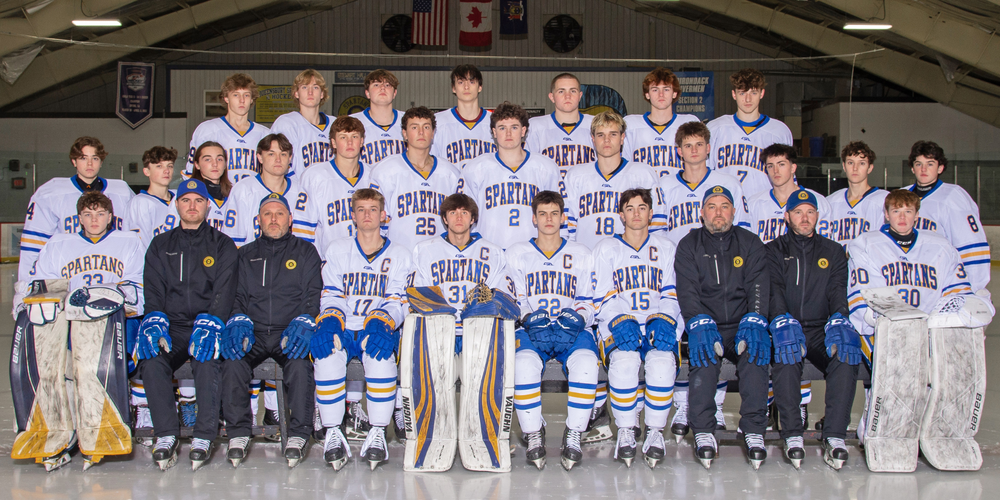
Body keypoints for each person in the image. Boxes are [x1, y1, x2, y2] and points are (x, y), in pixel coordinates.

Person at [847, 189, 993, 445]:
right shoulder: (866, 243)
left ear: (917, 215)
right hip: (885, 329)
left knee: (943, 369)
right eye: (896, 211)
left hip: (928, 328)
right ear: (886, 214)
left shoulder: (940, 245)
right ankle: (876, 419)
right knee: (892, 373)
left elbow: (956, 291)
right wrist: (876, 320)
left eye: (908, 212)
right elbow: (864, 296)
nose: (902, 218)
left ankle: (929, 427)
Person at [14, 191, 145, 471]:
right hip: (68, 321)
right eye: (88, 214)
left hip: (110, 320)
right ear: (79, 218)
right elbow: (42, 284)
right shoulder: (59, 243)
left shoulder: (129, 242)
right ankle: (60, 430)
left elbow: (136, 290)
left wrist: (108, 297)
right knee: (54, 370)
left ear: (111, 217)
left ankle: (98, 430)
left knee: (90, 371)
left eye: (100, 214)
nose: (94, 219)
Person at [136, 179, 238, 471]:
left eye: (198, 201)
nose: (192, 206)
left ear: (208, 205)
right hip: (173, 327)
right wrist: (154, 319)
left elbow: (225, 289)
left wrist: (215, 319)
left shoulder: (222, 244)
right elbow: (153, 288)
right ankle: (166, 434)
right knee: (153, 360)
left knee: (206, 360)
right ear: (177, 205)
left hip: (208, 324)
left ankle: (204, 436)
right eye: (186, 200)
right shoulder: (161, 245)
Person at [658, 121, 749, 439]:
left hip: (720, 267)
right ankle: (684, 404)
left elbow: (743, 229)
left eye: (699, 144)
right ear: (678, 150)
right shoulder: (666, 184)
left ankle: (716, 406)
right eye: (687, 145)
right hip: (680, 267)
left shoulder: (726, 182)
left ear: (709, 148)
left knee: (717, 336)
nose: (693, 150)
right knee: (686, 340)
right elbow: (657, 232)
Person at [311, 188, 413, 470]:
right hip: (345, 324)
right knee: (326, 354)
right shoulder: (337, 249)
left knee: (382, 358)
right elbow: (331, 294)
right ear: (353, 215)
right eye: (361, 209)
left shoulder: (400, 253)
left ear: (383, 215)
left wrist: (383, 320)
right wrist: (330, 319)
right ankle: (333, 431)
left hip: (377, 325)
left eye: (372, 209)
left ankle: (377, 431)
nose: (367, 215)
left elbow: (398, 299)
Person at [220, 193, 322, 467]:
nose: (273, 219)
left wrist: (305, 319)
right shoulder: (245, 254)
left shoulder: (305, 251)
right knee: (232, 360)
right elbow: (236, 295)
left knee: (300, 365)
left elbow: (312, 293)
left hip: (288, 331)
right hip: (253, 331)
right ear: (258, 220)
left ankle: (299, 435)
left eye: (279, 214)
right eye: (267, 214)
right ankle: (239, 433)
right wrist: (238, 318)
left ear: (290, 219)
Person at [674, 185, 770, 469]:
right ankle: (703, 431)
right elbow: (687, 290)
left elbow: (759, 284)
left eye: (724, 206)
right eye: (712, 207)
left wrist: (755, 318)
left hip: (741, 325)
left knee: (756, 355)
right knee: (703, 359)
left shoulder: (750, 242)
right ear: (702, 212)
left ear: (734, 212)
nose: (719, 212)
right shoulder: (689, 244)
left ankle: (753, 430)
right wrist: (697, 320)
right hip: (708, 323)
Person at [765, 189, 859, 470]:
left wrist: (839, 318)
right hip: (786, 325)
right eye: (798, 212)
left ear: (817, 215)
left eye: (809, 212)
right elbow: (775, 290)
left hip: (820, 329)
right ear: (787, 216)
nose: (804, 218)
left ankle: (835, 435)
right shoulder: (772, 250)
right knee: (786, 354)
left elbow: (836, 290)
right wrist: (781, 318)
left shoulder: (832, 250)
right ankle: (793, 433)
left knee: (845, 355)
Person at [506, 190, 599, 471]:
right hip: (532, 330)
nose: (549, 219)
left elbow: (589, 300)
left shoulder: (581, 253)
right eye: (543, 214)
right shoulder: (517, 252)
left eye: (554, 213)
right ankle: (534, 432)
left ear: (563, 217)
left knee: (585, 363)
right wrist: (527, 318)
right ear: (534, 218)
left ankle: (574, 433)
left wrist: (579, 317)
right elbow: (514, 298)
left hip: (570, 330)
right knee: (521, 364)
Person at [593, 188, 681, 469]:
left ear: (651, 213)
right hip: (620, 322)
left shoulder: (666, 247)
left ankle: (655, 431)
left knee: (661, 361)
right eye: (630, 208)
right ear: (621, 215)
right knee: (624, 360)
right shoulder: (607, 247)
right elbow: (601, 296)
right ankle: (627, 430)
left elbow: (671, 293)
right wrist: (620, 319)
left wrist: (664, 318)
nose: (636, 213)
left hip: (655, 321)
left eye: (642, 207)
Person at [747, 143, 832, 427]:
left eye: (781, 164)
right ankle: (776, 403)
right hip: (769, 278)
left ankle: (801, 405)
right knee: (777, 343)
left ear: (793, 167)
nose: (775, 171)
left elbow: (826, 248)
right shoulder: (757, 201)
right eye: (770, 166)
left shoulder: (816, 201)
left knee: (801, 337)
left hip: (807, 280)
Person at [17, 136, 134, 317]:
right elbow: (33, 245)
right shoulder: (50, 192)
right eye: (83, 158)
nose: (89, 163)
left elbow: (132, 242)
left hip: (111, 275)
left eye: (95, 158)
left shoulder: (122, 191)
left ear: (101, 161)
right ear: (73, 161)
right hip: (72, 276)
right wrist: (24, 289)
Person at [461, 102, 561, 247]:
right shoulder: (475, 168)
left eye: (514, 127)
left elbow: (559, 213)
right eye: (502, 128)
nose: (508, 134)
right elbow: (463, 216)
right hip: (488, 253)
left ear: (523, 131)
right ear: (494, 132)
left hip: (533, 254)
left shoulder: (546, 167)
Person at [564, 110, 662, 250]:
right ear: (593, 138)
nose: (607, 140)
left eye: (613, 134)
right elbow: (568, 226)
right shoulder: (575, 175)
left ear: (622, 138)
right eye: (600, 135)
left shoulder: (643, 174)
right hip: (587, 257)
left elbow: (657, 225)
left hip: (629, 260)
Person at [369, 106, 461, 249]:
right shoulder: (385, 171)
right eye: (414, 127)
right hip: (399, 256)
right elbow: (375, 222)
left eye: (426, 127)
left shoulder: (450, 173)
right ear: (404, 133)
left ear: (433, 133)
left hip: (439, 256)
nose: (421, 132)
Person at [904, 140, 990, 290]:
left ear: (940, 168)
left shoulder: (953, 196)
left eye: (930, 164)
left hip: (941, 279)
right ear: (912, 168)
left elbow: (972, 246)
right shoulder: (901, 196)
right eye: (918, 164)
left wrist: (973, 289)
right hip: (907, 279)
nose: (923, 169)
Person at [707, 68, 793, 198]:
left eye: (753, 92)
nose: (747, 99)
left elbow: (788, 179)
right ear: (734, 94)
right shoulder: (715, 128)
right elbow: (705, 173)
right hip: (726, 207)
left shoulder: (779, 131)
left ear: (762, 93)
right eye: (742, 93)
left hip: (764, 207)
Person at [294, 116, 373, 257]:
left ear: (361, 141)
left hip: (367, 262)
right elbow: (303, 230)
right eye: (343, 137)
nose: (349, 142)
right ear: (333, 143)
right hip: (328, 262)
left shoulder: (373, 176)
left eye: (354, 136)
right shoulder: (314, 176)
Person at [184, 73, 271, 183]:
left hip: (253, 198)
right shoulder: (208, 130)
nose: (242, 100)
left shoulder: (265, 134)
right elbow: (191, 172)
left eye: (246, 95)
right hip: (218, 197)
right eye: (236, 95)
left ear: (252, 99)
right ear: (226, 98)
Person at [223, 133, 302, 248]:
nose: (278, 159)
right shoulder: (243, 189)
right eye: (271, 154)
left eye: (283, 154)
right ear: (259, 157)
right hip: (253, 261)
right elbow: (233, 240)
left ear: (290, 158)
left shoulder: (300, 191)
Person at [525, 73, 596, 196]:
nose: (567, 96)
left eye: (573, 91)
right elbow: (528, 170)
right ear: (552, 97)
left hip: (586, 199)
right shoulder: (536, 127)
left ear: (580, 96)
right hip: (549, 202)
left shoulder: (595, 124)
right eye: (561, 91)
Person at [622, 68, 700, 177]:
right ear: (647, 94)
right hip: (643, 192)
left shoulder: (689, 122)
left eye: (666, 89)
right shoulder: (631, 125)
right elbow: (622, 168)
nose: (661, 94)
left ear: (674, 93)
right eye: (655, 90)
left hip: (679, 191)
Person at [270, 69, 333, 177]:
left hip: (329, 190)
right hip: (298, 190)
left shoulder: (335, 124)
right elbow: (276, 163)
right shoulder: (286, 123)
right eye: (304, 87)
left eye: (315, 87)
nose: (310, 92)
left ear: (322, 94)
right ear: (296, 93)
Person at [431, 65, 496, 168]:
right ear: (453, 88)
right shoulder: (437, 122)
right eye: (461, 82)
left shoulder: (496, 122)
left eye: (471, 82)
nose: (466, 87)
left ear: (480, 87)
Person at [826, 141, 888, 248]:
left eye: (862, 163)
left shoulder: (884, 200)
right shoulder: (830, 201)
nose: (855, 168)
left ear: (870, 168)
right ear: (844, 166)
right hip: (838, 264)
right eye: (850, 163)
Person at [350, 69, 406, 166]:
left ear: (394, 93)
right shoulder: (352, 122)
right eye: (376, 85)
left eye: (387, 85)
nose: (382, 88)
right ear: (367, 93)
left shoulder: (409, 121)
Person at [126, 146, 178, 247]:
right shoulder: (140, 202)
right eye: (159, 166)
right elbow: (141, 246)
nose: (166, 170)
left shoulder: (180, 197)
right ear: (146, 171)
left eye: (170, 166)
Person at [189, 141, 233, 232]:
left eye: (219, 159)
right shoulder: (187, 195)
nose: (215, 164)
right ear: (197, 165)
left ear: (225, 164)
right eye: (208, 159)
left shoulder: (234, 195)